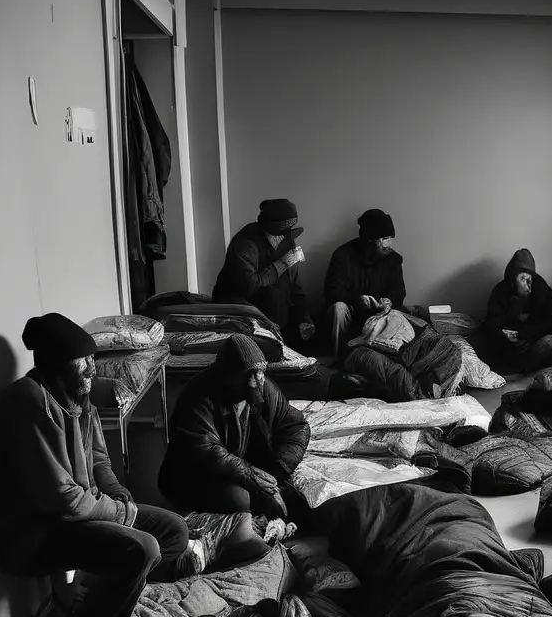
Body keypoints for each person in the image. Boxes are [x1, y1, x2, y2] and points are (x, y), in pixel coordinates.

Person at [0, 313, 189, 617]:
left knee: (173, 531)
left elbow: (100, 459)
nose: (92, 367)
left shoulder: (77, 396)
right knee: (143, 548)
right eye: (84, 360)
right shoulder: (28, 401)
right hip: (30, 535)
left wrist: (122, 497)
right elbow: (65, 498)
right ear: (56, 361)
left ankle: (100, 603)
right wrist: (123, 515)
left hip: (71, 518)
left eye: (92, 358)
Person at [159, 334, 310, 518]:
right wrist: (253, 478)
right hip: (193, 476)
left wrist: (278, 472)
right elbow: (205, 451)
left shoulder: (261, 386)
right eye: (249, 374)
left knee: (299, 493)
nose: (257, 380)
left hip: (235, 469)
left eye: (260, 372)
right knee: (238, 499)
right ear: (228, 374)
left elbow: (295, 426)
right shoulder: (198, 395)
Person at [212, 198, 314, 348]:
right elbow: (250, 285)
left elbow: (295, 286)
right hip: (241, 304)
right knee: (272, 295)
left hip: (276, 309)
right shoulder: (245, 243)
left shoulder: (287, 241)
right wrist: (282, 264)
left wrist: (304, 318)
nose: (285, 237)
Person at [325, 208, 407, 354]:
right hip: (351, 311)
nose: (388, 244)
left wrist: (388, 301)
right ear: (369, 240)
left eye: (389, 238)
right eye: (383, 239)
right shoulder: (342, 255)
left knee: (397, 315)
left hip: (379, 313)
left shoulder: (394, 259)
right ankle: (339, 358)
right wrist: (357, 301)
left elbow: (399, 292)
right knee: (338, 308)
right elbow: (332, 291)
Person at [471, 248, 552, 375]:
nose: (527, 284)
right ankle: (508, 372)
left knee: (550, 343)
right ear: (513, 279)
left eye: (529, 278)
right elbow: (492, 322)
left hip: (531, 345)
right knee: (477, 339)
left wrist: (526, 335)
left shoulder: (542, 290)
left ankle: (526, 374)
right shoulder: (500, 291)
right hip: (506, 348)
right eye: (522, 278)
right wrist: (507, 337)